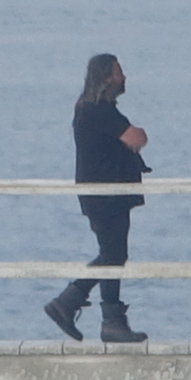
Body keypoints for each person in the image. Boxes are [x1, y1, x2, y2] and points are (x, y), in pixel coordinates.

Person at [44, 53, 150, 342]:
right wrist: (137, 136)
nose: (124, 77)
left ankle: (88, 310)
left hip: (109, 195)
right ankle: (90, 312)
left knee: (114, 254)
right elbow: (136, 138)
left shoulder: (92, 109)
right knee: (113, 254)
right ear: (106, 77)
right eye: (118, 72)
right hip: (106, 196)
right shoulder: (98, 111)